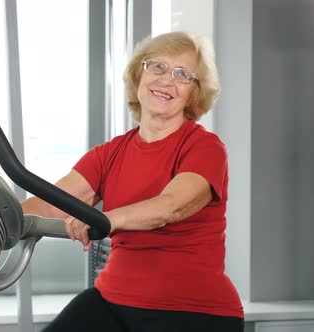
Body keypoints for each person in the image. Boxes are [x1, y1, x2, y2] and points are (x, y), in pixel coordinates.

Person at [22, 31, 244, 332]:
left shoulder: (204, 148)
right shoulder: (109, 154)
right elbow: (52, 203)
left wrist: (103, 219)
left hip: (193, 310)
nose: (167, 80)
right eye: (158, 67)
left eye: (182, 74)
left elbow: (171, 207)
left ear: (194, 92)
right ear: (138, 77)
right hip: (113, 300)